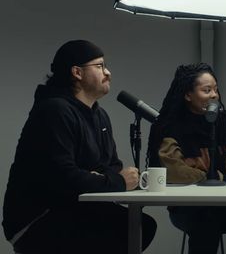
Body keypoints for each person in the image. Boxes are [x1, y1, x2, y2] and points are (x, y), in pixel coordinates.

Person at [2, 39, 157, 254]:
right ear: (77, 72)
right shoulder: (54, 111)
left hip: (75, 208)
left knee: (141, 225)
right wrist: (116, 180)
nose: (108, 72)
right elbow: (64, 177)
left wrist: (98, 178)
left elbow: (111, 166)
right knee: (126, 229)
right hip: (40, 218)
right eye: (100, 66)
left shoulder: (99, 115)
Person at [147, 63, 226, 254]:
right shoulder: (171, 127)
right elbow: (174, 171)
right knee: (207, 226)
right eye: (206, 90)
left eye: (215, 90)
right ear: (188, 95)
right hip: (189, 208)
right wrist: (210, 178)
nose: (214, 95)